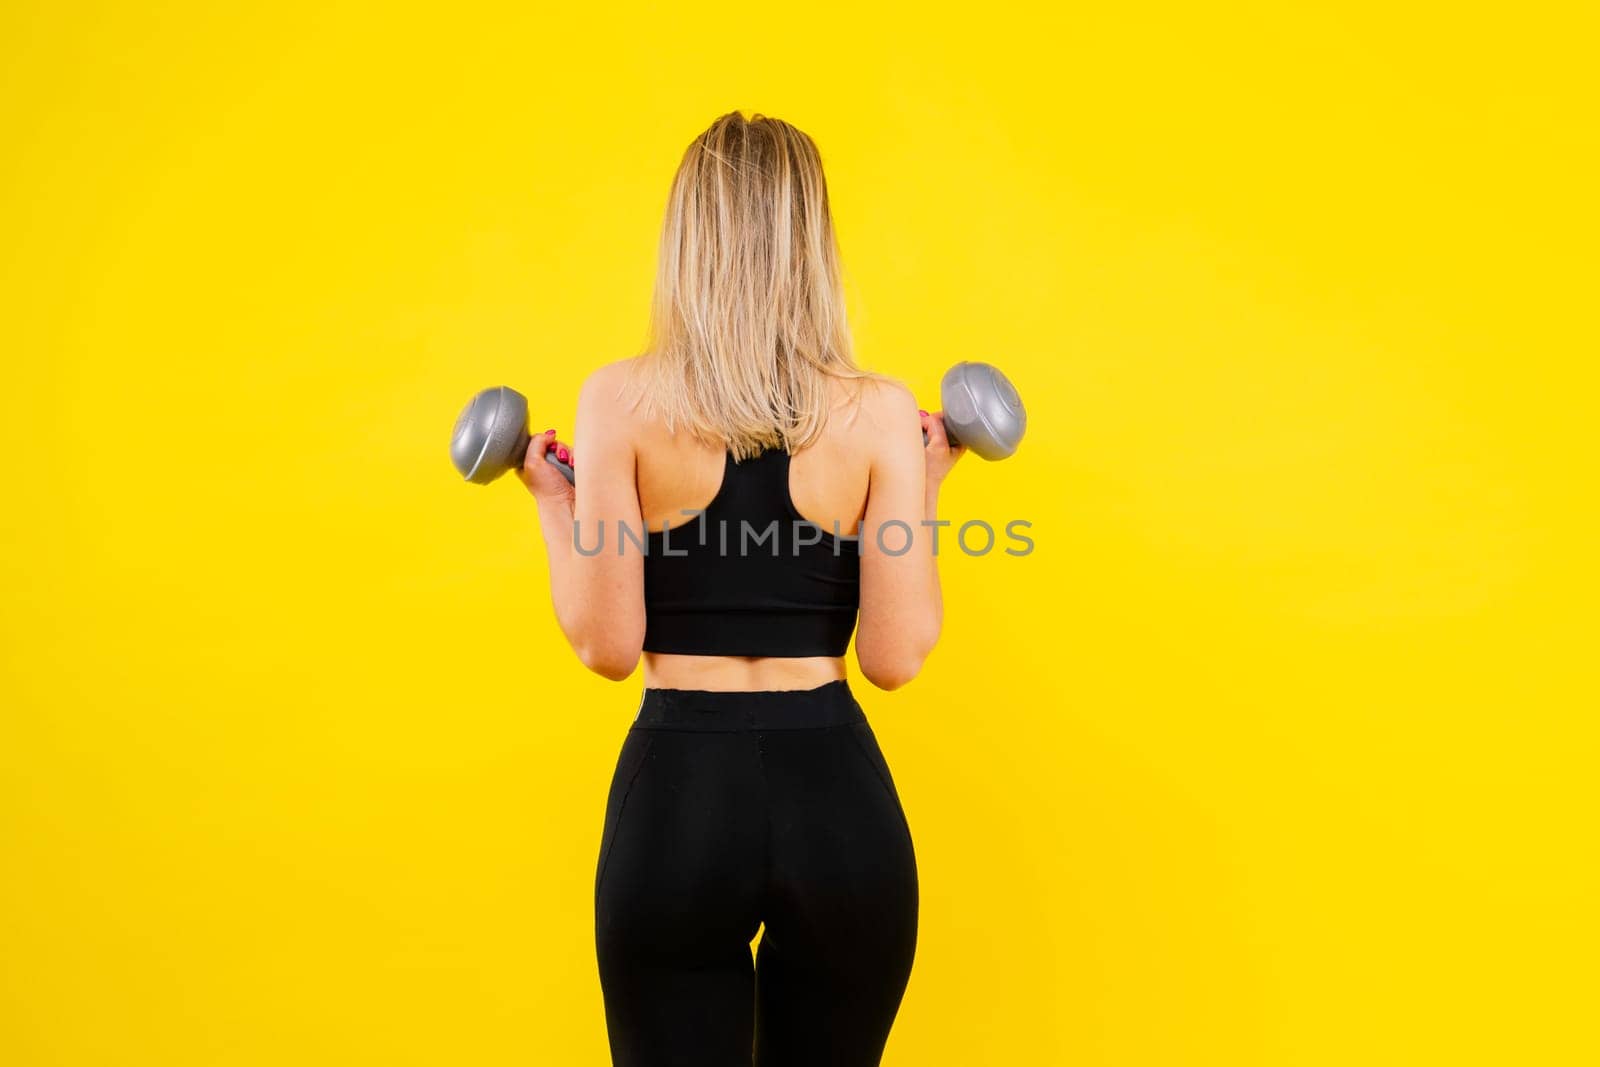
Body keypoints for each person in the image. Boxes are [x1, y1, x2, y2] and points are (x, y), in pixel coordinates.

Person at [519, 111, 964, 1067]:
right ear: (815, 241)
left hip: (680, 795)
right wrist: (922, 484)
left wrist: (553, 501)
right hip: (835, 799)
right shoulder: (879, 411)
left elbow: (605, 644)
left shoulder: (619, 401)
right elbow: (896, 657)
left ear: (689, 238)